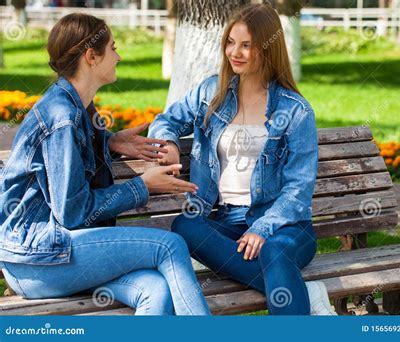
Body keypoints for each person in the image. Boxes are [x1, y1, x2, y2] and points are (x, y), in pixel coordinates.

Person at [0, 13, 210, 316]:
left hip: (54, 256)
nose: (119, 56)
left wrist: (108, 142)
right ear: (91, 57)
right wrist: (142, 187)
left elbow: (68, 158)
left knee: (154, 289)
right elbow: (72, 211)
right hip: (39, 259)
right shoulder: (62, 116)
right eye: (113, 48)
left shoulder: (75, 105)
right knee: (170, 246)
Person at [148, 4, 336, 315]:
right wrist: (167, 141)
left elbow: (298, 190)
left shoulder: (294, 110)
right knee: (185, 226)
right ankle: (307, 293)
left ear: (268, 48)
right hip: (226, 221)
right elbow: (166, 119)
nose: (235, 52)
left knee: (275, 252)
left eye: (246, 45)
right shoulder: (213, 91)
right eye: (231, 43)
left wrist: (262, 228)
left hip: (285, 226)